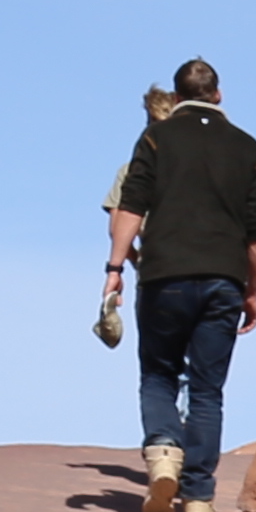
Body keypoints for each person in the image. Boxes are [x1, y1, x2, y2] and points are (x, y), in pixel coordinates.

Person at [111, 63, 256, 512]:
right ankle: (198, 500)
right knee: (207, 391)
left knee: (159, 374)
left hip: (165, 277)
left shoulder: (157, 140)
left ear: (177, 98)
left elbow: (131, 205)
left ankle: (163, 455)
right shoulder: (249, 148)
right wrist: (253, 289)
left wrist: (115, 268)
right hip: (224, 280)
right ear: (218, 95)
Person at [97, 84, 172, 349]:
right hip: (208, 271)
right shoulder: (201, 166)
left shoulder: (131, 170)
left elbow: (117, 227)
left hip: (155, 273)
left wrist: (134, 263)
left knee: (158, 370)